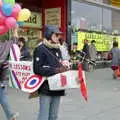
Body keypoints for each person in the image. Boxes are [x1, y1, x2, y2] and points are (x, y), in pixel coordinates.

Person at [33, 25, 68, 120]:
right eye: (56, 35)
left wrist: (64, 67)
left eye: (59, 35)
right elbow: (37, 69)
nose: (58, 37)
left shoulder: (57, 48)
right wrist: (55, 70)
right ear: (49, 35)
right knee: (44, 116)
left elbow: (58, 64)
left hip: (58, 87)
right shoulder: (40, 49)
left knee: (53, 116)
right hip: (46, 88)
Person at [0, 26, 19, 120]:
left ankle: (10, 115)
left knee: (2, 95)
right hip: (2, 72)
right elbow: (15, 40)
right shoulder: (8, 43)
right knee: (2, 95)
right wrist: (15, 30)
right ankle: (10, 115)